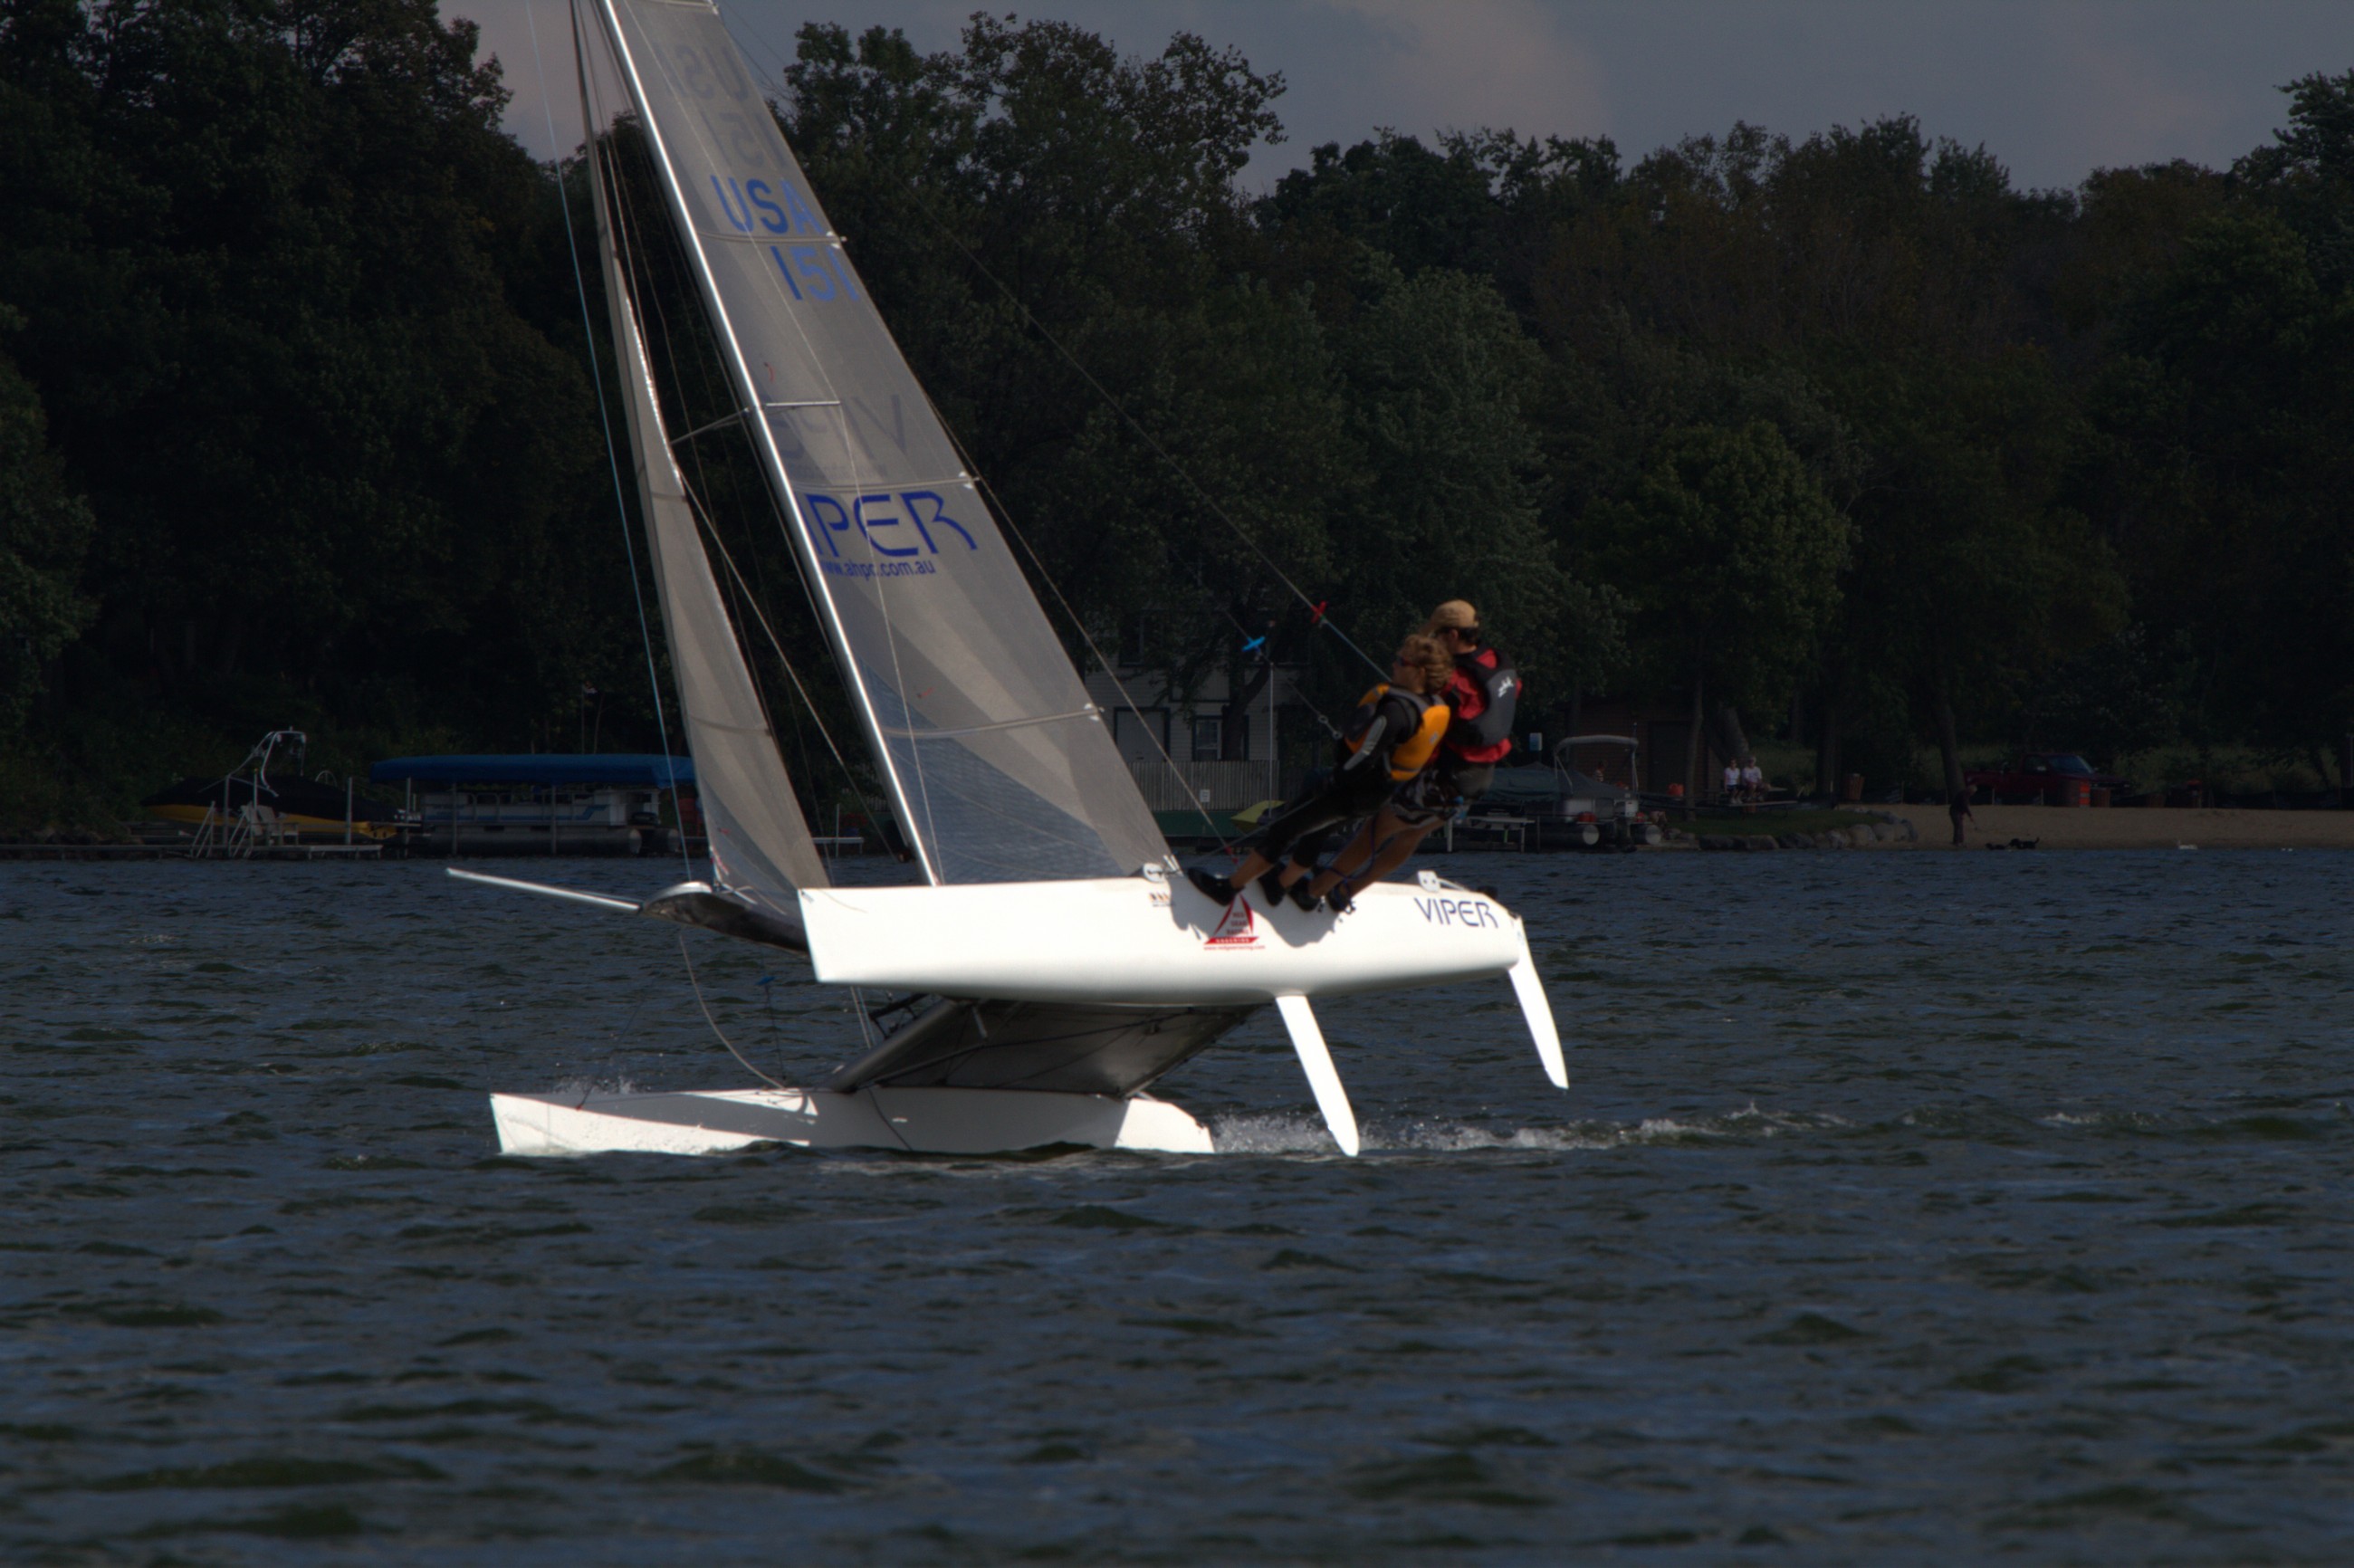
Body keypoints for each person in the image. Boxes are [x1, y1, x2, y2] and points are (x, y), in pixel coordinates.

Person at [1185, 635, 1453, 907]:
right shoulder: (1433, 705)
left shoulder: (1396, 711)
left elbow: (1365, 756)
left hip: (1349, 789)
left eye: (1401, 662)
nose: (1394, 665)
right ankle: (1280, 886)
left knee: (1283, 829)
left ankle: (1228, 889)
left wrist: (1334, 781)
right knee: (1317, 832)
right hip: (1375, 796)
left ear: (1419, 672)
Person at [1295, 600, 1521, 912]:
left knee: (1378, 827)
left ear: (1453, 635)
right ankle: (1347, 889)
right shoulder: (1498, 663)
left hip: (1448, 777)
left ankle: (1315, 890)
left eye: (1437, 636)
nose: (1434, 642)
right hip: (1481, 776)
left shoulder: (1454, 682)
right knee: (1412, 833)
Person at [1949, 782, 1976, 846]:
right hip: (1954, 811)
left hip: (1958, 812)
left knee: (1960, 826)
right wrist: (1970, 816)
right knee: (1958, 826)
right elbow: (1965, 806)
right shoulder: (1963, 795)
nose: (1973, 794)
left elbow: (1962, 806)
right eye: (1973, 792)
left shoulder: (1965, 795)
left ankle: (1960, 841)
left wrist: (1962, 814)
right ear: (1970, 791)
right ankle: (1957, 842)